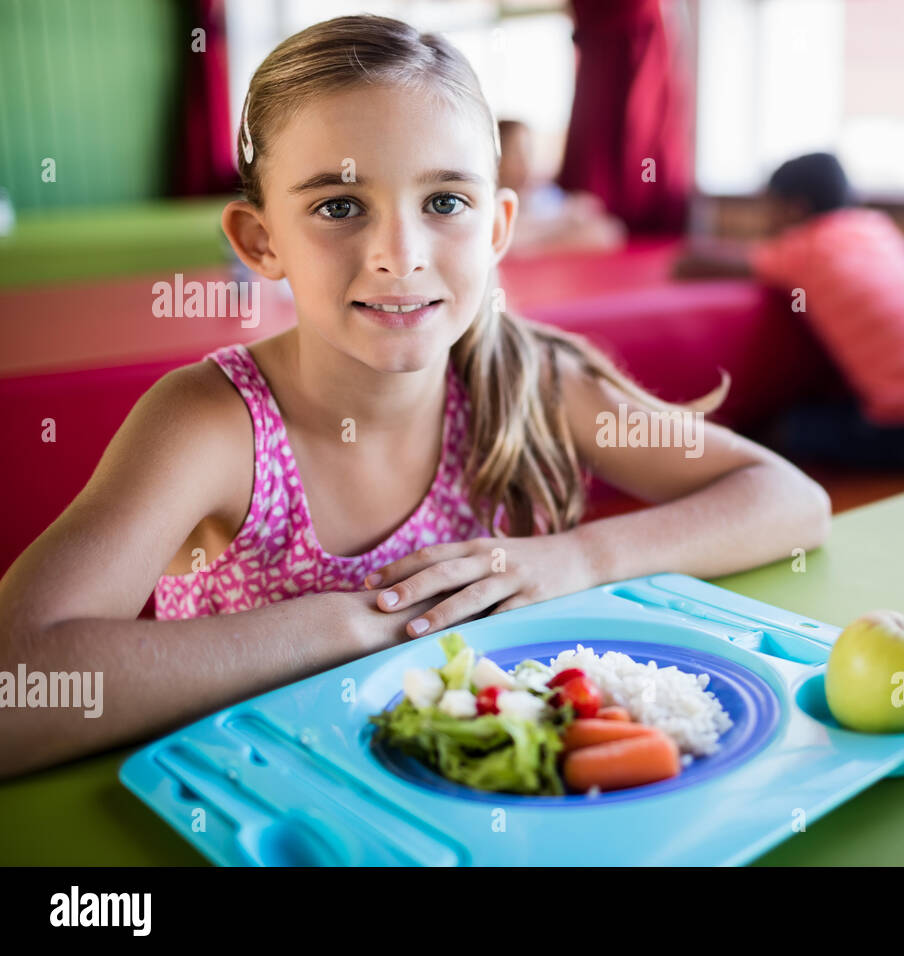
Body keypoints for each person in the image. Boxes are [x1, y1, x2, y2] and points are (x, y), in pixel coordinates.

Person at [0, 15, 830, 779]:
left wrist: (578, 559)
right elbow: (17, 686)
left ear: (498, 227)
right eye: (338, 206)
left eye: (444, 203)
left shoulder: (530, 380)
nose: (400, 254)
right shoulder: (212, 423)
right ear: (261, 243)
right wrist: (352, 625)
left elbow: (790, 500)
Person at [673, 152, 904, 468]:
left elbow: (697, 265)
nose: (767, 220)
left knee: (786, 430)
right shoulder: (876, 229)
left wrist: (678, 259)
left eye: (771, 208)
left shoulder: (806, 247)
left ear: (795, 209)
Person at [497, 118, 626, 256]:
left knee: (606, 230)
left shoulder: (538, 193)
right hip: (531, 249)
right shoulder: (495, 199)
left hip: (547, 240)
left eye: (528, 153)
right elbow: (512, 238)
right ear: (497, 159)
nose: (524, 162)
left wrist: (576, 209)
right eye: (516, 153)